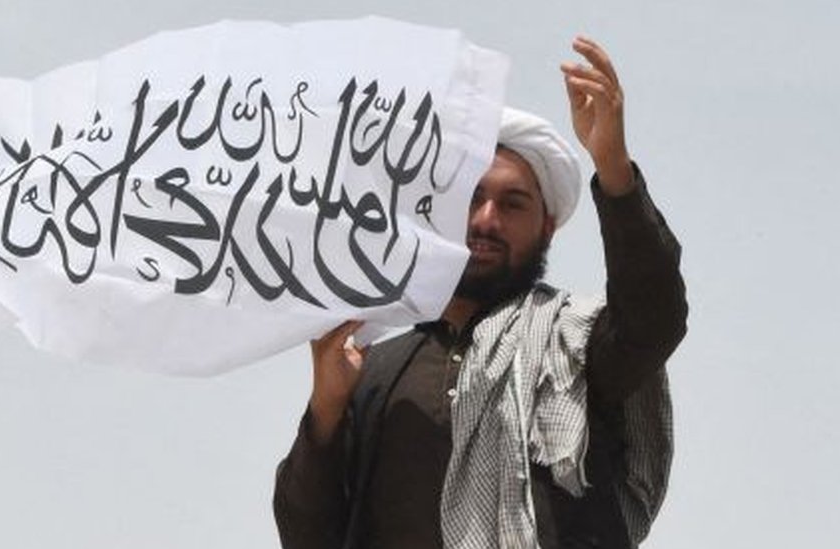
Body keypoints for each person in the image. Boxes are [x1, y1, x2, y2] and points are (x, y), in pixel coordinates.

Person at [273, 36, 687, 549]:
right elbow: (307, 535)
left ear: (547, 227)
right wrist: (327, 409)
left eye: (513, 204)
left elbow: (654, 318)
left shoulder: (578, 349)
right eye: (469, 198)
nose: (487, 220)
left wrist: (614, 167)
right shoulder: (375, 372)